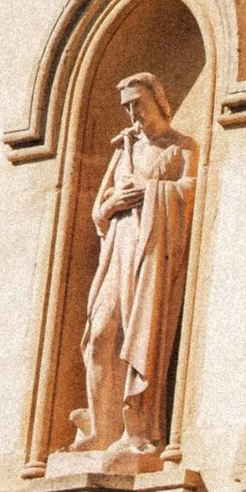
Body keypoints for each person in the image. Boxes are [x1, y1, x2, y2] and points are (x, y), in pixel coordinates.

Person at [71, 70, 197, 470]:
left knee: (137, 332)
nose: (132, 116)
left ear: (158, 101)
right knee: (98, 335)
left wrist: (150, 191)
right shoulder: (122, 150)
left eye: (137, 105)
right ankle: (101, 427)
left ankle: (136, 430)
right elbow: (99, 210)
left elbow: (191, 191)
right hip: (118, 248)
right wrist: (112, 205)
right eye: (126, 108)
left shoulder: (182, 148)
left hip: (152, 252)